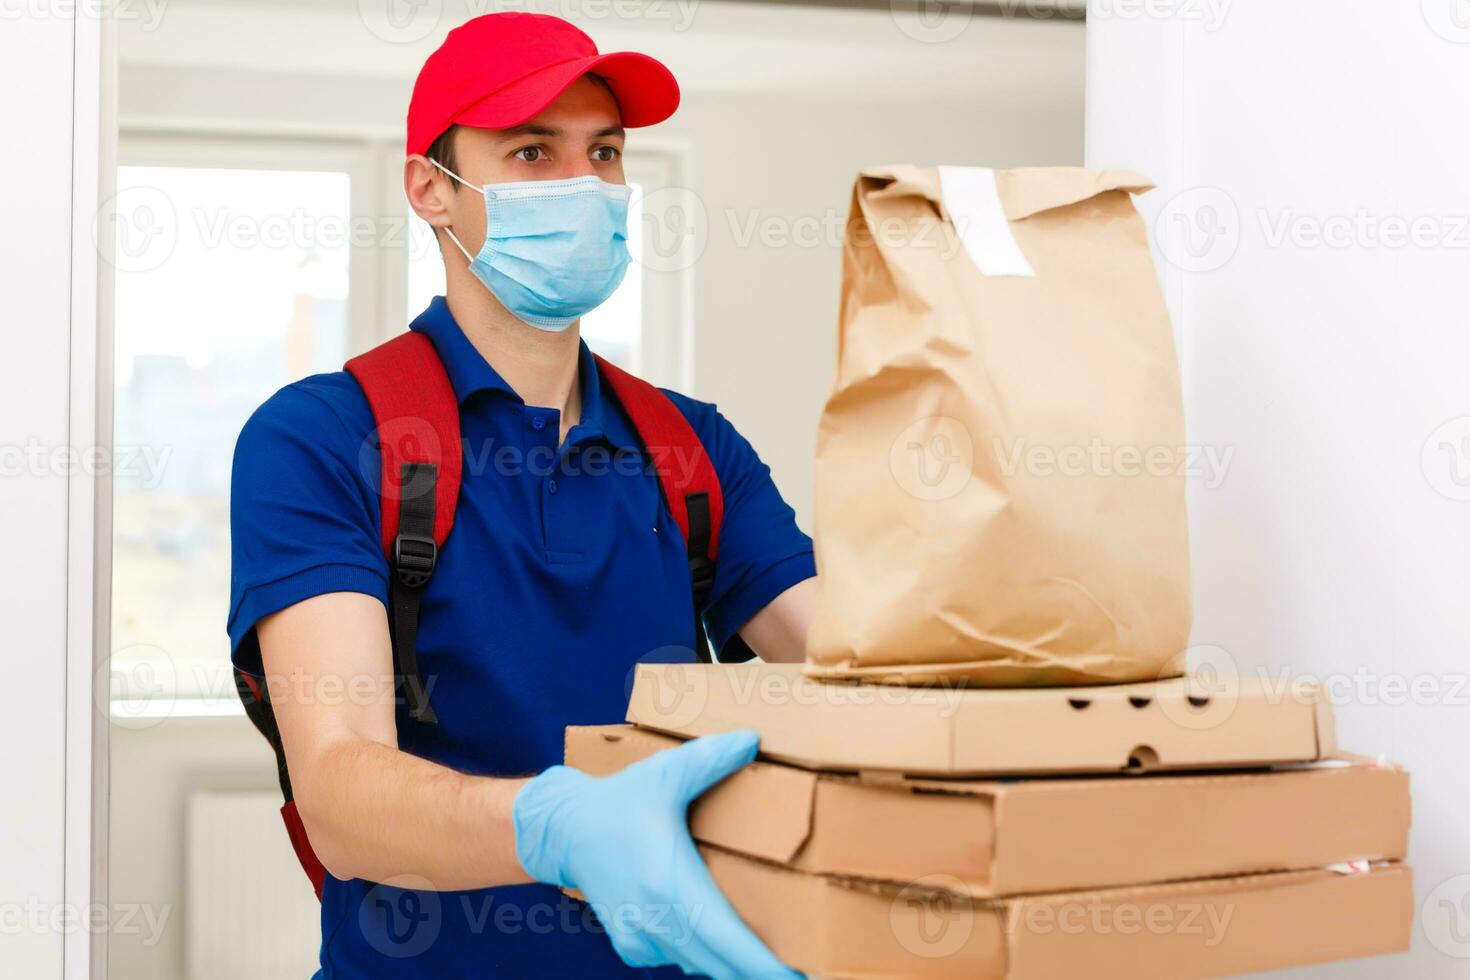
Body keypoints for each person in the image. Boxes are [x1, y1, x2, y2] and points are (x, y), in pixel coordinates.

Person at [228, 12, 813, 979]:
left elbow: (862, 674)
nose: (583, 187)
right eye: (534, 151)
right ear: (431, 189)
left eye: (606, 152)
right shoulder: (325, 439)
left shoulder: (692, 446)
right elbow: (337, 795)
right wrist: (556, 824)